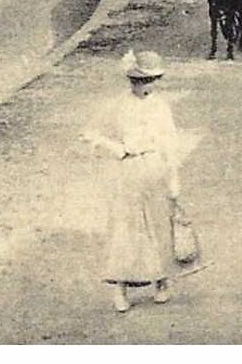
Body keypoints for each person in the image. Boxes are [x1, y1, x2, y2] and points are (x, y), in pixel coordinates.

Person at [85, 49, 202, 313]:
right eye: (138, 80)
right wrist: (118, 149)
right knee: (126, 228)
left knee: (158, 225)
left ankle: (161, 281)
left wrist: (174, 179)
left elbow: (170, 143)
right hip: (128, 171)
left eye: (149, 80)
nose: (144, 86)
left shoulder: (161, 106)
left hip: (155, 168)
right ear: (130, 80)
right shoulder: (118, 105)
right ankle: (120, 288)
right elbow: (91, 133)